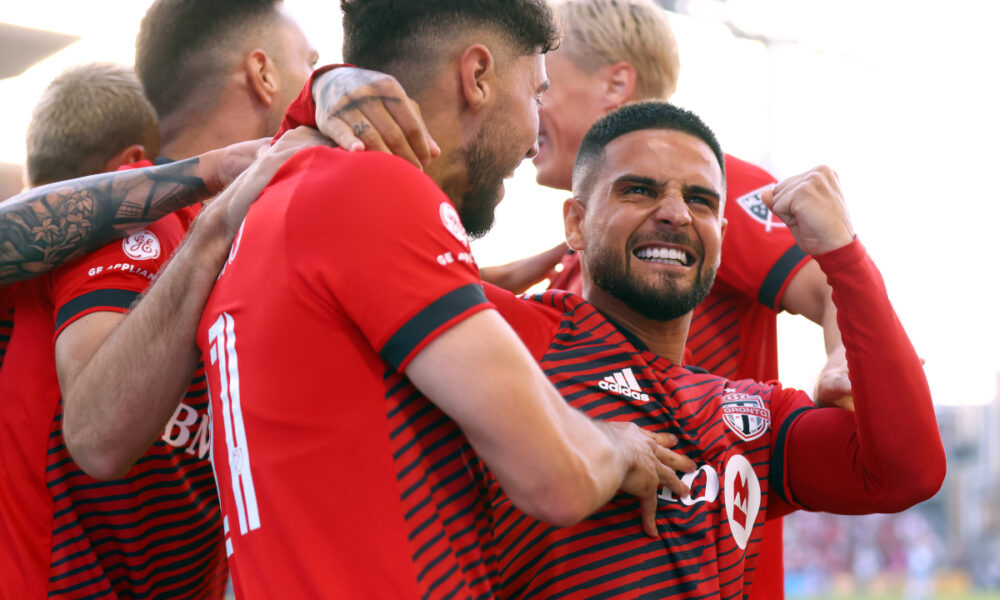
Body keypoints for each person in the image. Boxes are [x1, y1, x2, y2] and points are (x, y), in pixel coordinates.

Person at [194, 1, 684, 597]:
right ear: (477, 76)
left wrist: (323, 84)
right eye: (535, 93)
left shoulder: (278, 194)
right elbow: (560, 479)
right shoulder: (379, 189)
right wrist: (616, 442)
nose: (534, 140)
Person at [482, 100, 945, 599]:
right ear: (575, 222)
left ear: (721, 238)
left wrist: (844, 257)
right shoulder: (504, 338)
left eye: (701, 201)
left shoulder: (746, 421)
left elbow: (907, 474)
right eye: (640, 190)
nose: (676, 214)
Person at [478, 1, 850, 596]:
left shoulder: (708, 189)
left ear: (615, 83)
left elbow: (836, 284)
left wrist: (842, 363)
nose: (534, 100)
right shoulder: (579, 271)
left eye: (546, 79)